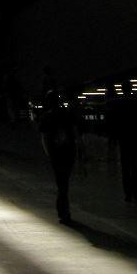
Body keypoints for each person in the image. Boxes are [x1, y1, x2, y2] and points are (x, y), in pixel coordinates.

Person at [38, 88, 78, 223]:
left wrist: (48, 154)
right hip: (69, 151)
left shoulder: (46, 117)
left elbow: (44, 137)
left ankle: (63, 211)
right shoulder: (66, 114)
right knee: (64, 182)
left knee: (61, 182)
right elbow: (75, 133)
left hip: (56, 154)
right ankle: (64, 211)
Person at [107, 86, 137, 201]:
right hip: (134, 136)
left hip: (124, 137)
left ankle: (128, 193)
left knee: (125, 166)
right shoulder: (135, 102)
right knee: (134, 165)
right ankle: (136, 192)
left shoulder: (118, 103)